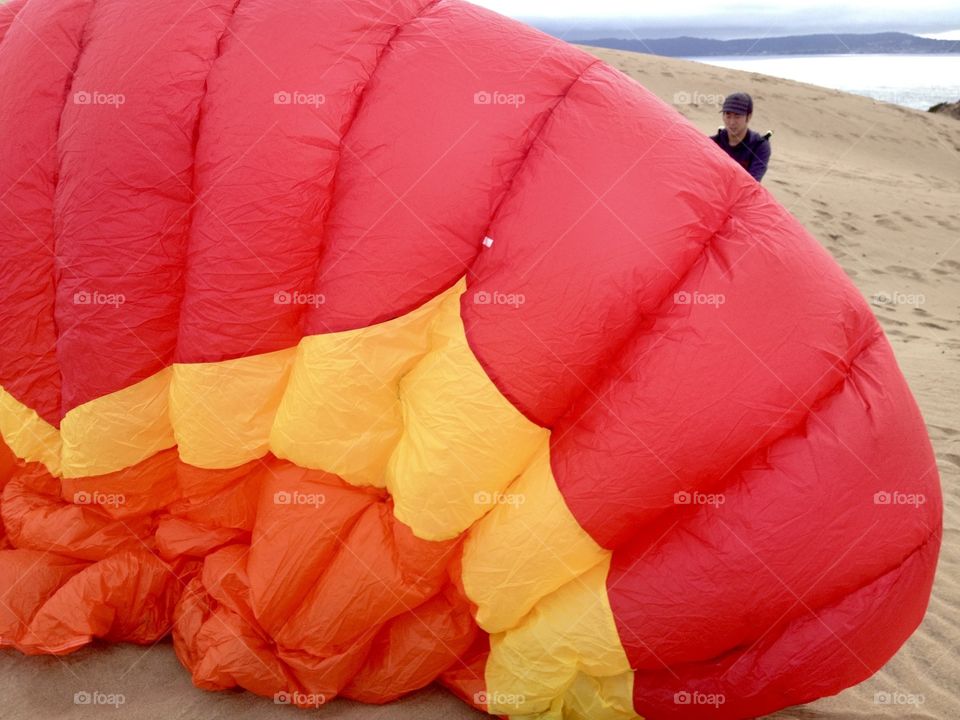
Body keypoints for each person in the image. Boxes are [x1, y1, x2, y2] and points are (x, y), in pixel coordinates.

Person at [710, 92, 771, 182]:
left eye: (737, 116)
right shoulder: (712, 143)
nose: (731, 122)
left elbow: (752, 183)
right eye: (728, 115)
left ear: (749, 117)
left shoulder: (759, 146)